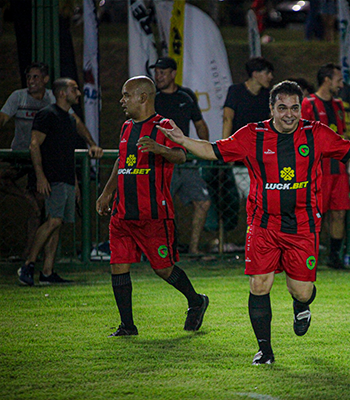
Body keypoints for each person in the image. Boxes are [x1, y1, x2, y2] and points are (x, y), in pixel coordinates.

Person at [157, 80, 350, 364]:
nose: (289, 114)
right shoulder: (252, 134)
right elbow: (214, 150)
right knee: (260, 284)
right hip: (262, 224)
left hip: (302, 226)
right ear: (271, 108)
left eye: (295, 108)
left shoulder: (315, 133)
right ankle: (264, 350)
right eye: (282, 108)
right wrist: (183, 140)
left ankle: (301, 305)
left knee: (302, 291)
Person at [96, 76, 209, 336]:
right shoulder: (126, 127)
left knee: (162, 268)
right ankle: (127, 326)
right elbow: (121, 161)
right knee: (118, 265)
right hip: (123, 213)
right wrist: (107, 192)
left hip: (154, 214)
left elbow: (181, 155)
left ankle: (196, 301)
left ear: (143, 97)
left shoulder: (164, 125)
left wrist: (160, 148)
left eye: (126, 95)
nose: (122, 100)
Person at [18, 78, 103, 286]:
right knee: (53, 221)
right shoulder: (47, 114)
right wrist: (40, 176)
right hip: (52, 178)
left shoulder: (68, 119)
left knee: (58, 224)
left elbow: (67, 152)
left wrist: (73, 181)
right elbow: (34, 145)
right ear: (63, 93)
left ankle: (47, 272)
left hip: (65, 179)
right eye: (74, 89)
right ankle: (28, 265)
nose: (79, 93)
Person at [150, 57, 211, 256]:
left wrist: (204, 150)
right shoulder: (152, 97)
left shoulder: (186, 95)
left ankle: (193, 248)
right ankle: (157, 250)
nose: (158, 76)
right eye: (156, 72)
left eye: (162, 72)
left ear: (173, 73)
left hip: (184, 161)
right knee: (158, 207)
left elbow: (200, 124)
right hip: (160, 162)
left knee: (203, 202)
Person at [1, 63, 54, 260]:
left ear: (45, 80)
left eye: (35, 77)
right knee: (4, 179)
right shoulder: (18, 97)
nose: (31, 81)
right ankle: (28, 199)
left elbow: (70, 120)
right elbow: (3, 118)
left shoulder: (51, 99)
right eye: (29, 77)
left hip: (41, 157)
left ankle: (30, 256)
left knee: (41, 207)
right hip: (21, 155)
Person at [301, 63, 348, 269]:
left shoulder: (339, 105)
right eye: (338, 79)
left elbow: (342, 134)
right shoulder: (308, 103)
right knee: (315, 213)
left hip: (338, 168)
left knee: (339, 212)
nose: (341, 83)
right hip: (318, 170)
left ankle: (335, 257)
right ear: (327, 80)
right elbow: (302, 136)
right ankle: (309, 256)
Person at [222, 57, 274, 199]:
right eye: (267, 73)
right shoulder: (236, 91)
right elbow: (228, 119)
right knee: (233, 198)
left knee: (260, 197)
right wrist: (227, 148)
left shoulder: (268, 95)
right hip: (238, 154)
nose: (271, 77)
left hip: (259, 156)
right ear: (255, 74)